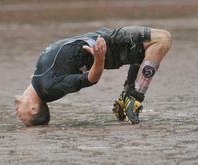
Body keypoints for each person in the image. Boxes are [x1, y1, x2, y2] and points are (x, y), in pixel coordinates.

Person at [14, 26, 172, 127]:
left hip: (103, 39)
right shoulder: (49, 88)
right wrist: (99, 57)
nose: (16, 113)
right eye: (22, 117)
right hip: (108, 45)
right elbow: (90, 79)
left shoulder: (38, 82)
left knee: (146, 51)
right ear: (34, 109)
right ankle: (134, 96)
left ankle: (128, 95)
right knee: (163, 40)